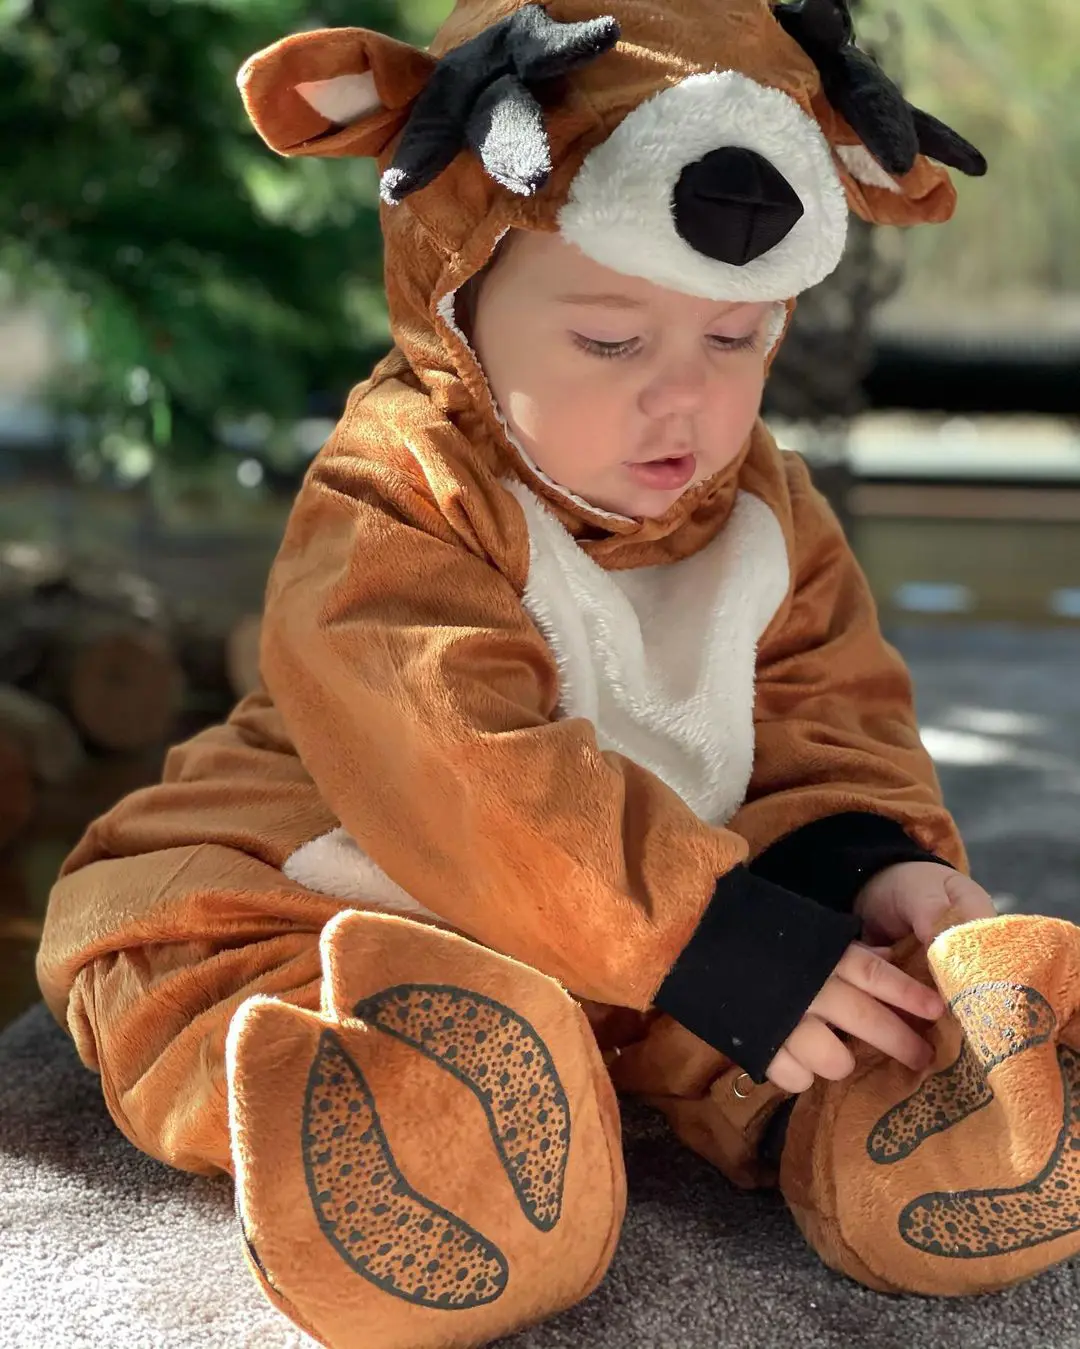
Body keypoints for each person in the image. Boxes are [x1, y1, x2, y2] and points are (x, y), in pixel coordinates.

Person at [42, 1, 1078, 1344]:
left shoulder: (768, 509)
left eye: (737, 340)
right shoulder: (395, 492)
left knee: (831, 998)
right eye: (609, 342)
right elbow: (457, 764)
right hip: (335, 885)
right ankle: (419, 1118)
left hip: (647, 939)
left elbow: (835, 718)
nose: (685, 402)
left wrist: (867, 865)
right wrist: (719, 944)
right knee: (194, 986)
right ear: (458, 296)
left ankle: (934, 1127)